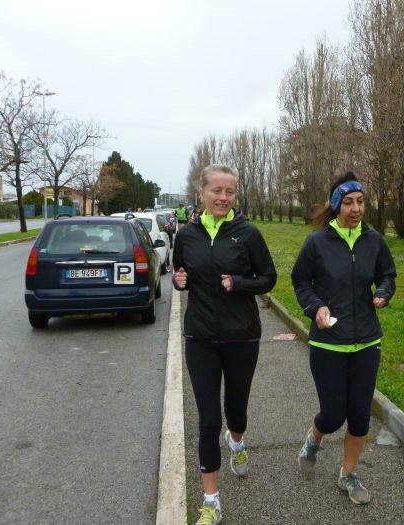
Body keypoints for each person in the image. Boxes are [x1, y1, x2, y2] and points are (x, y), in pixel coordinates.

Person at [172, 164, 277, 525]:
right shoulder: (187, 235)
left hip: (241, 336)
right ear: (202, 192)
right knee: (208, 419)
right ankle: (211, 500)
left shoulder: (248, 234)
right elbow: (181, 274)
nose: (223, 197)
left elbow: (269, 278)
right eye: (216, 190)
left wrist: (239, 283)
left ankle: (237, 442)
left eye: (229, 191)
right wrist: (179, 281)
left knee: (236, 408)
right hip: (200, 337)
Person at [290, 171, 396, 506]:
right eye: (348, 202)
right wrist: (315, 307)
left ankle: (347, 474)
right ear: (337, 205)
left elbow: (388, 274)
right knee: (334, 415)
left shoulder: (373, 241)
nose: (356, 209)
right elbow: (300, 281)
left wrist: (384, 292)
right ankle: (314, 440)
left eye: (360, 202)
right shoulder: (317, 243)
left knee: (360, 417)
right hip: (328, 342)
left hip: (366, 341)